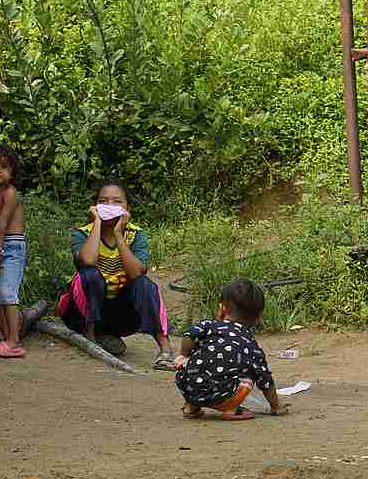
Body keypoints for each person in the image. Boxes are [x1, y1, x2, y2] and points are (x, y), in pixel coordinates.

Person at [56, 180, 175, 370]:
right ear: (95, 206)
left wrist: (118, 234)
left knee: (145, 284)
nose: (110, 206)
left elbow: (135, 272)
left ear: (127, 208)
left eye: (117, 202)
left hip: (121, 316)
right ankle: (90, 336)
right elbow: (88, 260)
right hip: (80, 314)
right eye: (103, 201)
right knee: (89, 274)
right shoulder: (82, 234)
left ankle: (165, 349)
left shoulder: (136, 235)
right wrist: (97, 223)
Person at [174, 278, 290, 421]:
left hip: (189, 388)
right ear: (259, 318)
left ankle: (191, 407)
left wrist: (183, 355)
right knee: (250, 373)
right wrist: (276, 406)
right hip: (223, 396)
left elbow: (189, 335)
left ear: (223, 308)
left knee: (196, 359)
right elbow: (265, 380)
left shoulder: (208, 325)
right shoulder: (251, 345)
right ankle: (231, 408)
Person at [0, 145, 46, 358]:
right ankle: (7, 337)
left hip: (11, 245)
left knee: (7, 293)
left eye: (4, 167)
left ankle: (14, 341)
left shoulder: (10, 193)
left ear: (12, 172)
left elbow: (3, 222)